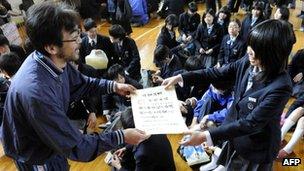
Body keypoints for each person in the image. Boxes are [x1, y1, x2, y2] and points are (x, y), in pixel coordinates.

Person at [0, 2, 148, 170]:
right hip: (35, 155)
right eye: (74, 37)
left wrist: (113, 86)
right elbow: (77, 147)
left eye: (79, 33)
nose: (80, 41)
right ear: (51, 47)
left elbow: (82, 84)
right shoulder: (37, 93)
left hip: (49, 142)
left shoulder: (53, 60)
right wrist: (122, 136)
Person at [162, 19, 295, 170]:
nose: (249, 50)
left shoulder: (281, 86)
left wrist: (206, 135)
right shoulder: (248, 61)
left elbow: (250, 123)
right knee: (226, 162)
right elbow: (217, 72)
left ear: (272, 53)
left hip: (255, 145)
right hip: (233, 131)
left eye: (256, 48)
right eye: (250, 45)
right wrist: (182, 77)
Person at [110, 107, 176, 171]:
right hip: (164, 165)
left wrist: (118, 166)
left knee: (115, 166)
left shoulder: (142, 155)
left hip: (152, 164)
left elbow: (143, 150)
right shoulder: (156, 129)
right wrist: (126, 148)